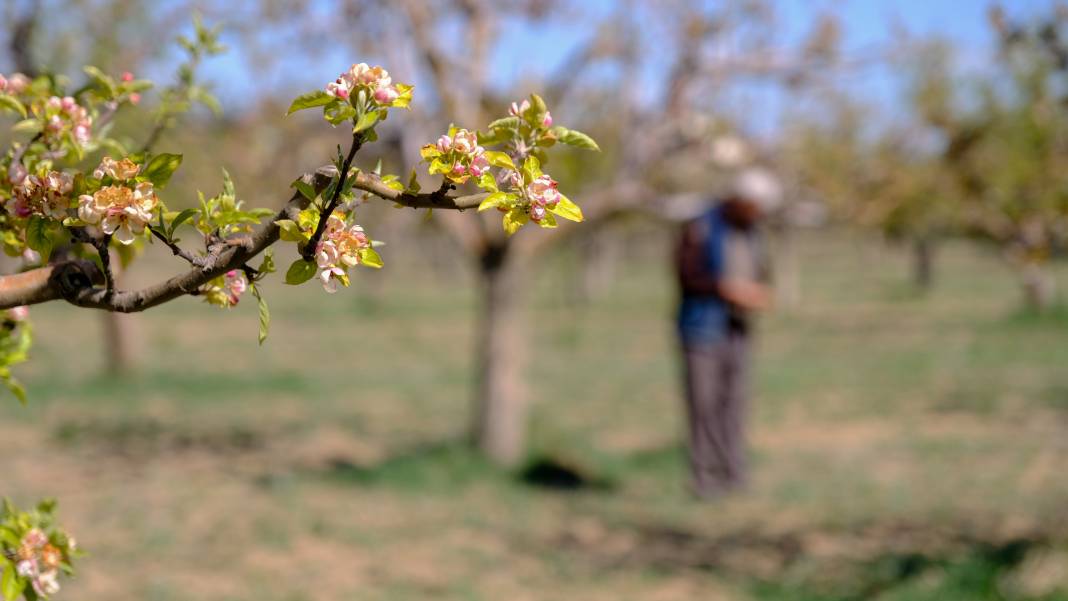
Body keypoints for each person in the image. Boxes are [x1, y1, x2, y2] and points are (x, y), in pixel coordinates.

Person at [674, 168, 781, 499]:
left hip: (737, 327)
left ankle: (734, 472)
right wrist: (727, 289)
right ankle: (705, 477)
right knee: (704, 403)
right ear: (739, 200)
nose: (758, 214)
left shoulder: (752, 231)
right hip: (702, 328)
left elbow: (761, 269)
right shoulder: (701, 226)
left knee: (734, 402)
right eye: (754, 207)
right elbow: (686, 276)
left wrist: (759, 292)